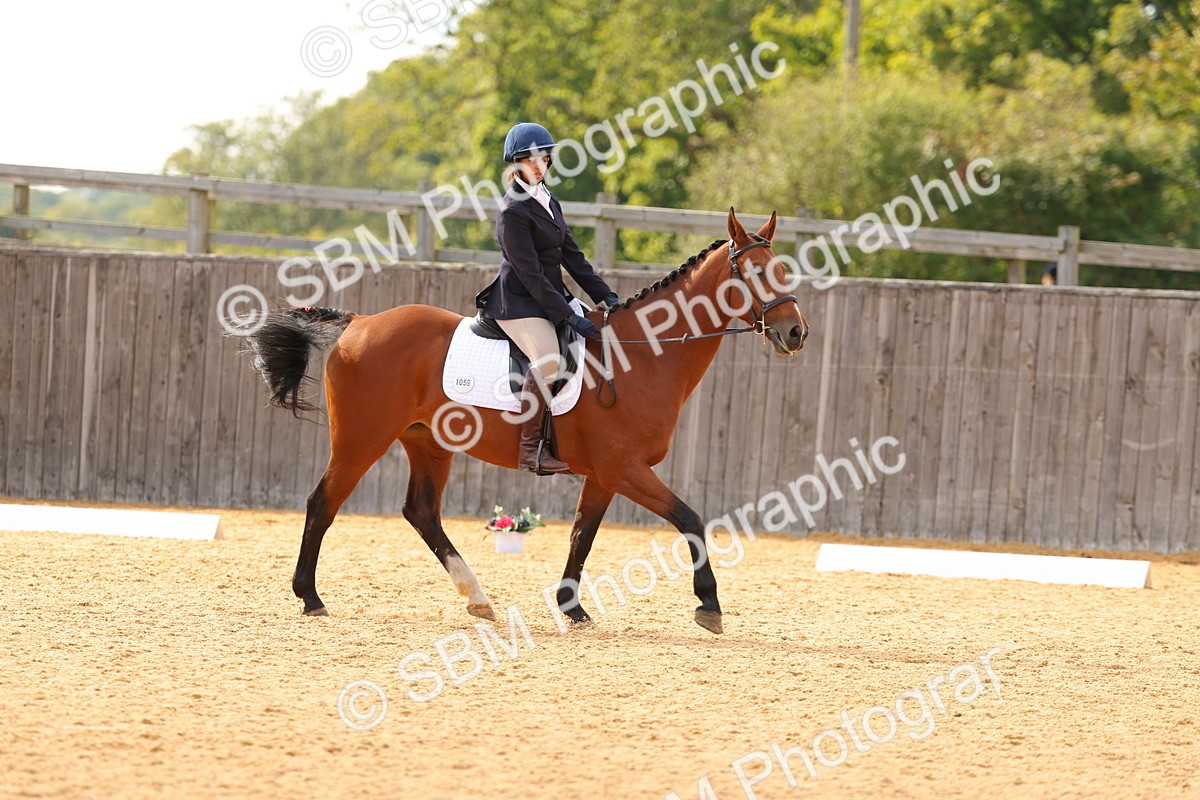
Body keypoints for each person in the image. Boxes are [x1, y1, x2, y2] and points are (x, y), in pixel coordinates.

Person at [475, 122, 620, 475]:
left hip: (547, 298)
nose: (538, 165)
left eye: (544, 158)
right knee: (551, 359)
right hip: (519, 303)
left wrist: (608, 297)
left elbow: (573, 257)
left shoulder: (548, 201)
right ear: (515, 164)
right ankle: (529, 450)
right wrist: (567, 316)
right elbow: (531, 275)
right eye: (529, 159)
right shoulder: (512, 210)